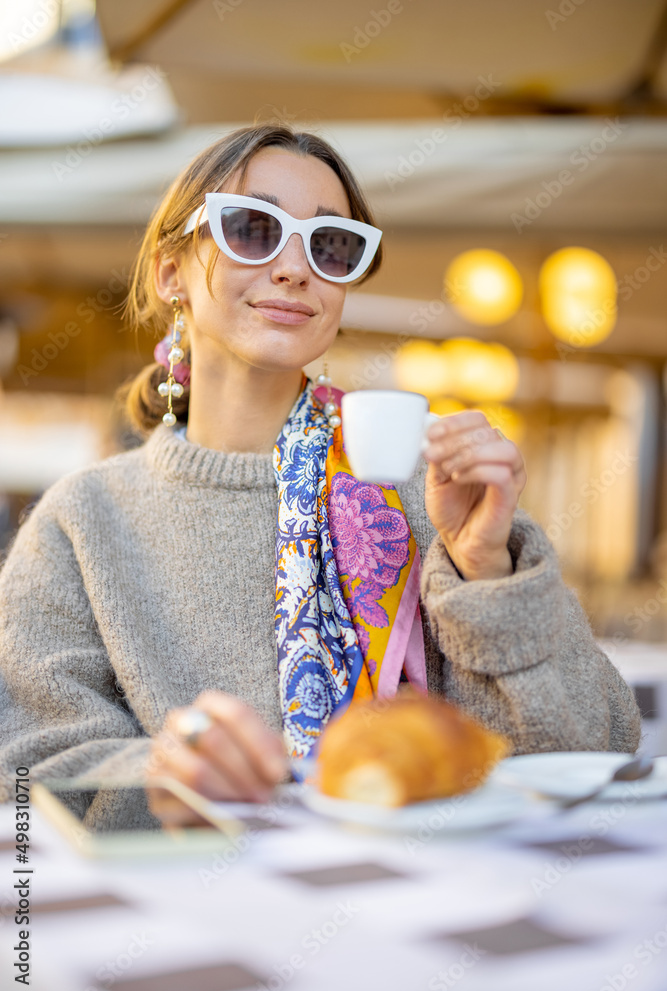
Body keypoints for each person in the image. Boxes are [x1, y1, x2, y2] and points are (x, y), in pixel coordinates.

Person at [0, 123, 640, 830]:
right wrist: (161, 777)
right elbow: (22, 776)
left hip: (420, 912)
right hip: (191, 921)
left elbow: (599, 748)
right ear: (170, 272)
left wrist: (485, 570)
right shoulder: (81, 521)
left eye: (330, 245)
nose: (294, 268)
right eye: (252, 228)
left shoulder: (429, 495)